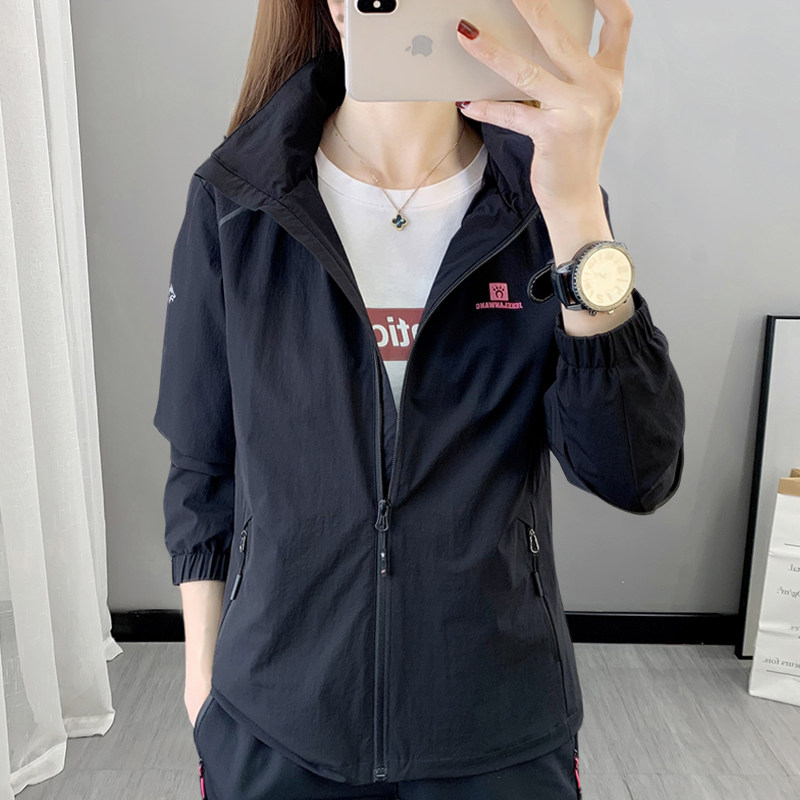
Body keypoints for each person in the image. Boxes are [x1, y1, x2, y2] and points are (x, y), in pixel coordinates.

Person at [153, 0, 684, 797]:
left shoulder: (541, 202)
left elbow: (633, 472)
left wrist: (577, 208)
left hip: (496, 727)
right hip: (277, 725)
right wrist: (203, 683)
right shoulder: (236, 200)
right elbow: (202, 461)